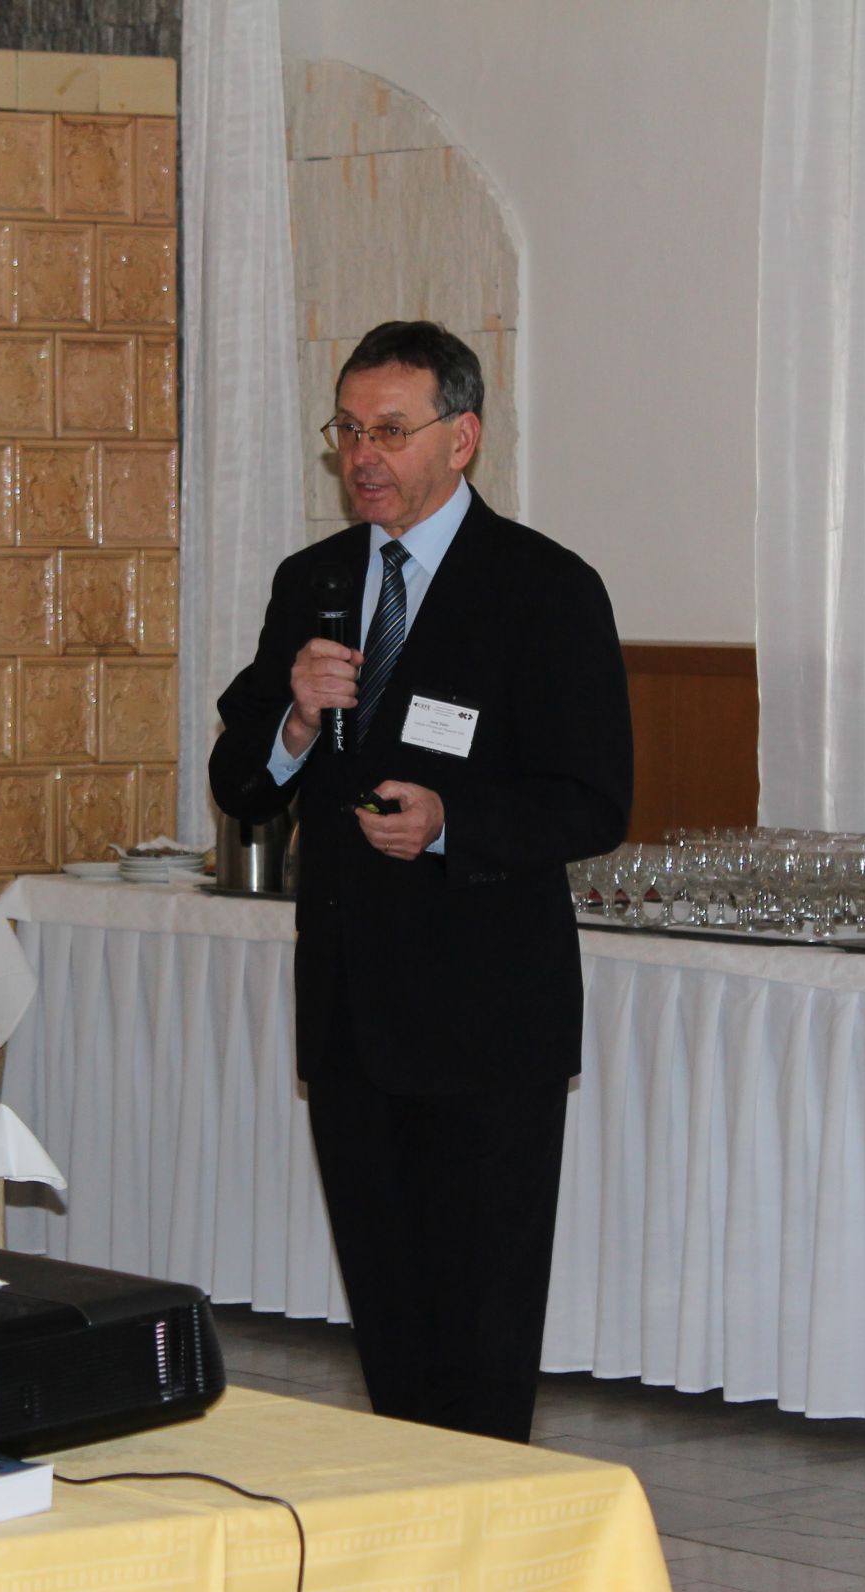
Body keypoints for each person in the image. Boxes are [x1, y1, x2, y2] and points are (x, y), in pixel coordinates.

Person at [208, 320, 632, 1441]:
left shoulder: (543, 588)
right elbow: (240, 782)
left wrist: (452, 824)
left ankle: (485, 1525)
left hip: (486, 1022)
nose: (363, 456)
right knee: (391, 1336)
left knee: (479, 1338)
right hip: (352, 1017)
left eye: (389, 431)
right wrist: (296, 720)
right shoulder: (311, 582)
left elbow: (594, 799)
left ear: (462, 437)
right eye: (347, 430)